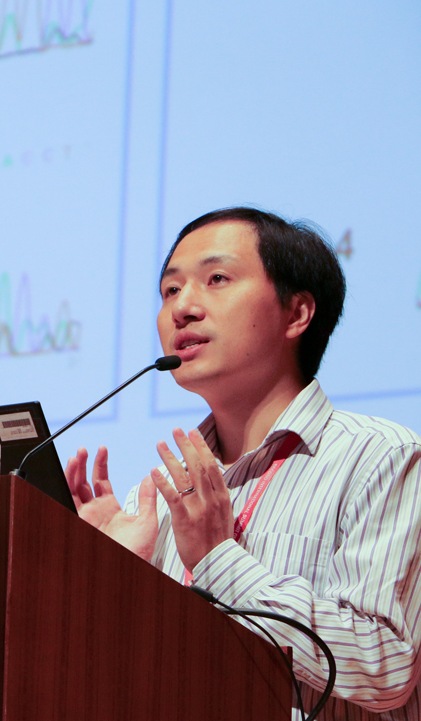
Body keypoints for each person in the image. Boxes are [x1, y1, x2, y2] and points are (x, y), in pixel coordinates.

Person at [65, 207, 421, 719]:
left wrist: (217, 560)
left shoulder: (381, 459)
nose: (183, 308)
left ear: (296, 314)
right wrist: (113, 578)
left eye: (216, 279)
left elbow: (383, 669)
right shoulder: (162, 494)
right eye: (169, 291)